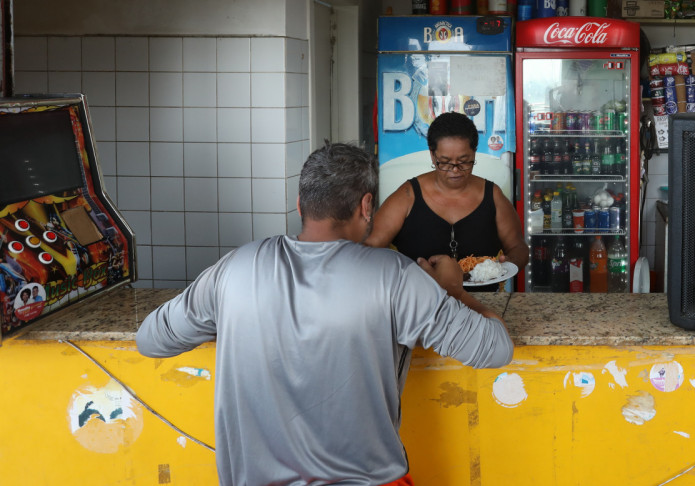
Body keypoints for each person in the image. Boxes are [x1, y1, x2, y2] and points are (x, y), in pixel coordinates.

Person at [136, 143, 513, 486]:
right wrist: (454, 292)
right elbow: (496, 349)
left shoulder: (234, 269)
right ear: (366, 206)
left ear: (301, 205)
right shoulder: (395, 276)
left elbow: (151, 339)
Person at [367, 112, 528, 273]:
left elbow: (518, 247)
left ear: (474, 152)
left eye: (464, 161)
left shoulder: (493, 195)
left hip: (481, 298)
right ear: (432, 155)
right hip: (421, 296)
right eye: (445, 162)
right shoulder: (408, 195)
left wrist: (508, 263)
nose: (455, 170)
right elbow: (369, 249)